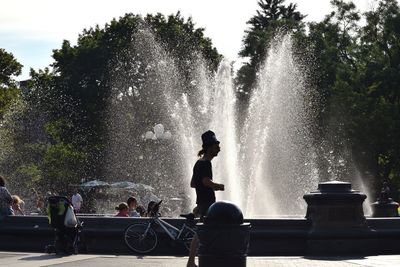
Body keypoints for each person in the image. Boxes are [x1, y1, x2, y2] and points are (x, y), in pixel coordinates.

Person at [187, 130, 225, 267]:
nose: (219, 149)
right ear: (209, 148)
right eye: (216, 147)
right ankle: (192, 261)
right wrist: (218, 186)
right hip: (208, 202)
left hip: (203, 202)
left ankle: (197, 260)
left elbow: (193, 184)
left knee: (206, 231)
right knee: (202, 232)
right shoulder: (206, 164)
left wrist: (200, 202)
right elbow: (205, 181)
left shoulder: (199, 163)